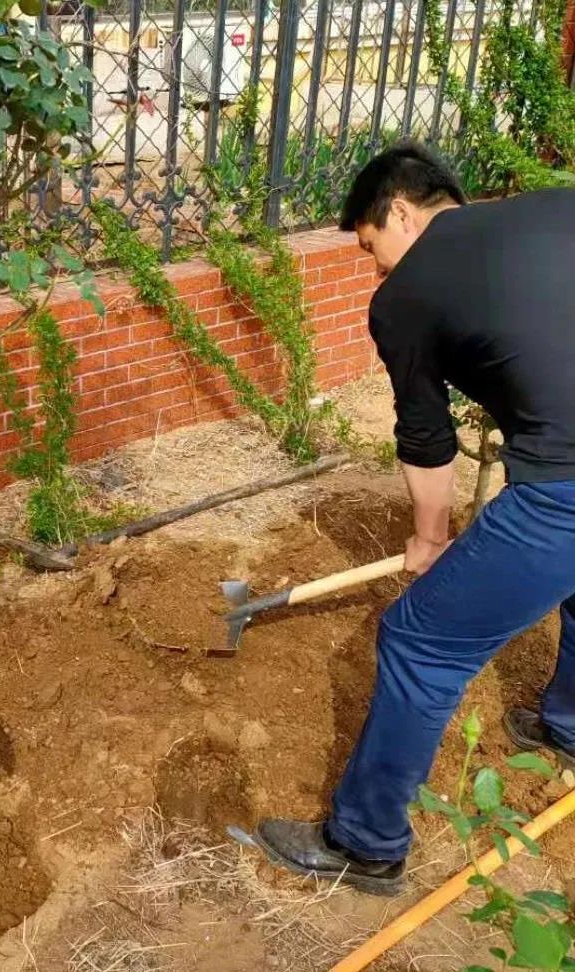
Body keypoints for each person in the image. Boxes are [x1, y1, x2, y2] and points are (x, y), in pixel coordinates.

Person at [255, 142, 575, 896]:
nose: (377, 271)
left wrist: (431, 536)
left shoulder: (406, 295)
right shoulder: (555, 209)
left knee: (419, 641)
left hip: (567, 485)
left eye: (371, 249)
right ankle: (569, 726)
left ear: (400, 210)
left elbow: (426, 435)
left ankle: (365, 842)